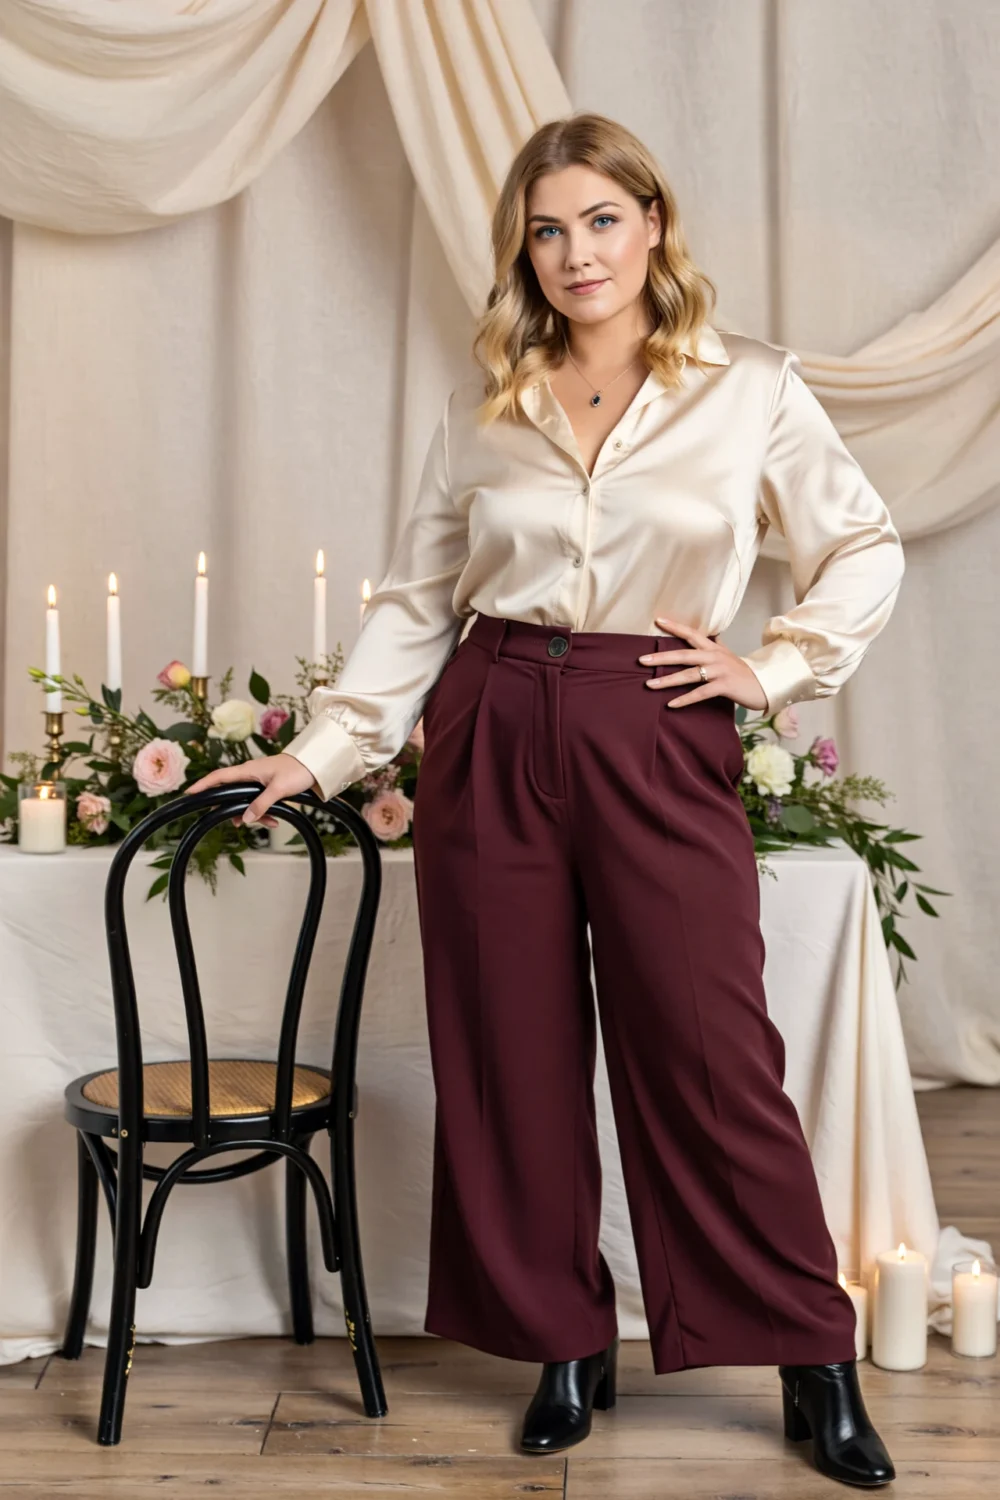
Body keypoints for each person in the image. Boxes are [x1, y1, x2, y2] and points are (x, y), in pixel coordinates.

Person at [188, 112, 903, 1486]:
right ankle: (562, 1341)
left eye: (602, 219)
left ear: (652, 224)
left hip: (657, 720)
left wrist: (774, 664)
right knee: (507, 1052)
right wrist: (320, 755)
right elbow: (414, 601)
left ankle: (812, 1353)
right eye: (548, 226)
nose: (578, 252)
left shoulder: (745, 386)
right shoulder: (485, 406)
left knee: (710, 1050)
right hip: (495, 710)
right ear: (525, 246)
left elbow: (859, 543)